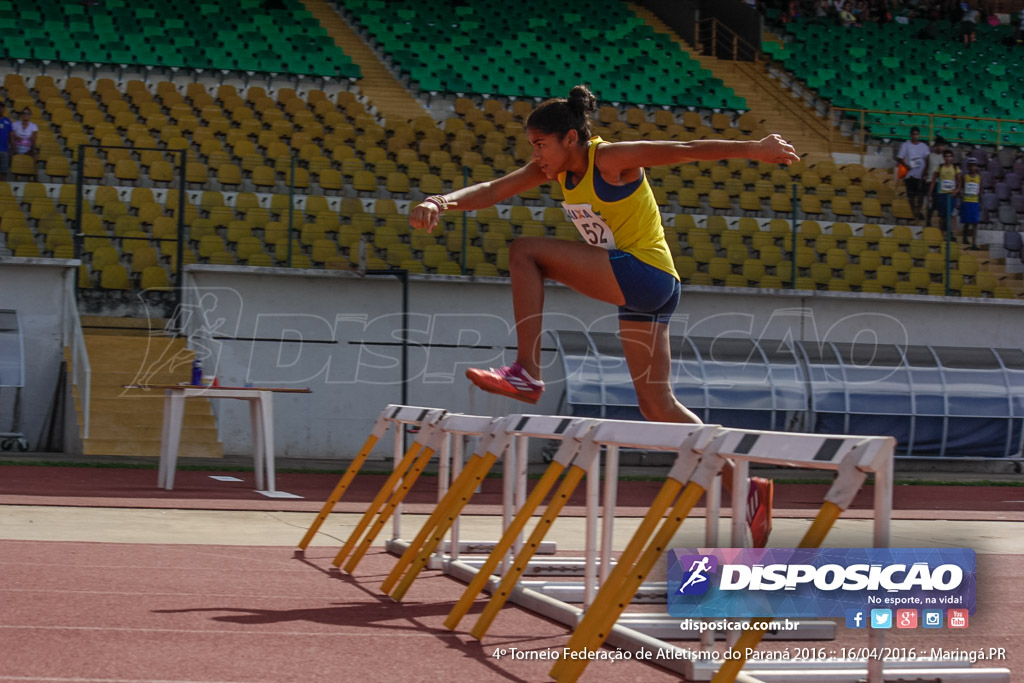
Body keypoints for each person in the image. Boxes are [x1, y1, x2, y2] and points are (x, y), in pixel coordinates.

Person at [409, 86, 800, 547]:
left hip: (646, 274)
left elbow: (685, 150)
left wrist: (756, 149)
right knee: (657, 406)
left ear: (570, 138)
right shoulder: (552, 171)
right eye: (532, 146)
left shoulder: (611, 158)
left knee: (525, 252)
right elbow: (495, 190)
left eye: (541, 145)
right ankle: (747, 486)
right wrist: (441, 201)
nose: (536, 155)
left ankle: (527, 372)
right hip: (646, 292)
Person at [896, 126, 930, 219]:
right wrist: (906, 166)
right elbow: (899, 157)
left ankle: (918, 211)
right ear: (911, 135)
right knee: (911, 195)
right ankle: (913, 212)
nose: (915, 136)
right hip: (910, 174)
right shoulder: (905, 145)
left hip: (920, 174)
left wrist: (925, 171)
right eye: (914, 134)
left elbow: (927, 159)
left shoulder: (923, 146)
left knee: (921, 195)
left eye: (917, 134)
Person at [928, 149, 961, 233]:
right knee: (942, 215)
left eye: (950, 156)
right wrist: (930, 193)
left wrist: (956, 190)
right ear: (944, 158)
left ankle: (950, 233)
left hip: (951, 195)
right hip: (941, 194)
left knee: (950, 214)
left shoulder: (955, 168)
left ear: (952, 158)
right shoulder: (940, 167)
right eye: (946, 156)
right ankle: (941, 232)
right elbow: (933, 180)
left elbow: (960, 182)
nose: (948, 158)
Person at [925, 135, 948, 226]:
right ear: (935, 146)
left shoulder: (945, 158)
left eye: (942, 145)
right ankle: (928, 222)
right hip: (930, 181)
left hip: (941, 183)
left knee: (940, 204)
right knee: (931, 204)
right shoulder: (930, 156)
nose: (940, 147)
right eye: (938, 145)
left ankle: (941, 224)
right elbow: (927, 168)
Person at [960, 157, 981, 248]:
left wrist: (980, 200)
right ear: (968, 166)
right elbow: (961, 188)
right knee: (967, 222)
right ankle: (965, 237)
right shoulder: (965, 177)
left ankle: (974, 242)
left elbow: (980, 189)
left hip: (975, 202)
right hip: (966, 201)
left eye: (974, 166)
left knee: (975, 223)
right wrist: (962, 198)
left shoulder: (979, 177)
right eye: (971, 166)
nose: (973, 168)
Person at [0, 104, 12, 182]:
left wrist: (11, 147)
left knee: (4, 171)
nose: (1, 109)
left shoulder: (7, 120)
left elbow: (11, 135)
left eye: (2, 107)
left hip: (4, 149)